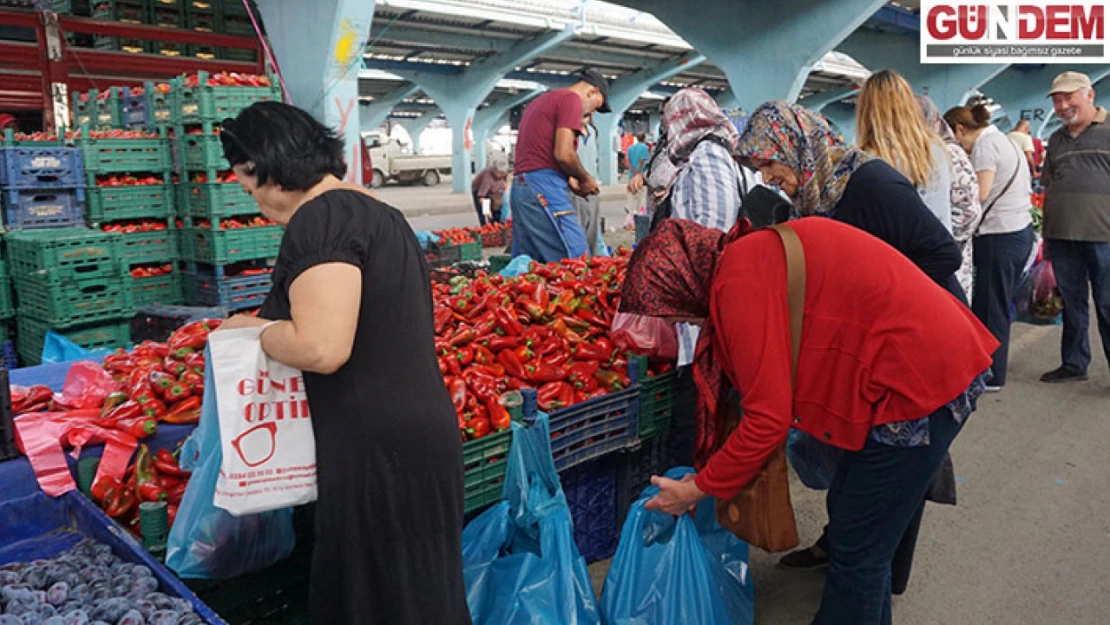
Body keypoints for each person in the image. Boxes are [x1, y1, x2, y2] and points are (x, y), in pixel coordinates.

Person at [622, 218, 995, 625]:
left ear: (682, 282)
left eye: (672, 312)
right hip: (918, 360)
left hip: (916, 380)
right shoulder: (746, 256)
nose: (679, 324)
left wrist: (697, 489)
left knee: (859, 548)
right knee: (859, 529)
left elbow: (767, 419)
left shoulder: (738, 285)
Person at [216, 102, 470, 625]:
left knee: (379, 598)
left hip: (374, 449)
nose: (252, 198)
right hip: (418, 436)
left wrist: (255, 331)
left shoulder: (321, 219)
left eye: (247, 181)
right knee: (419, 594)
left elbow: (321, 348)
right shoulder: (381, 214)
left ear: (263, 167)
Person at [735, 101, 966, 589]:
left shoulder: (870, 183)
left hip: (917, 346)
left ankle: (867, 570)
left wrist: (882, 300)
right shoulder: (818, 192)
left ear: (795, 146)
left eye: (771, 164)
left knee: (895, 472)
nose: (771, 179)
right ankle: (849, 556)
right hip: (875, 349)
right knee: (862, 464)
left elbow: (942, 251)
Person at [643, 87, 760, 467]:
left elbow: (709, 238)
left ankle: (686, 496)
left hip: (705, 310)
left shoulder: (707, 155)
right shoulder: (729, 154)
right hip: (723, 304)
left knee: (694, 411)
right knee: (714, 407)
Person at [945, 103, 1036, 391]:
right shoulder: (1005, 140)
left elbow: (979, 194)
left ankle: (993, 374)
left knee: (991, 306)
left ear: (960, 130)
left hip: (999, 235)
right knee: (995, 303)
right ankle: (990, 368)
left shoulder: (985, 146)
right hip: (1017, 231)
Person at [1039, 71, 1110, 383]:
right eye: (1057, 100)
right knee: (1071, 304)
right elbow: (1049, 186)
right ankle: (1074, 363)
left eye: (1069, 97)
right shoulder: (1056, 139)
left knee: (1107, 304)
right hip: (1063, 235)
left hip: (1104, 236)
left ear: (1090, 95)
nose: (1063, 105)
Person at [509, 68, 610, 262]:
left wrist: (569, 177)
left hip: (521, 187)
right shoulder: (571, 99)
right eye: (595, 107)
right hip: (543, 186)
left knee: (529, 264)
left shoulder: (540, 101)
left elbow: (539, 152)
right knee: (575, 258)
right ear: (592, 92)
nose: (590, 112)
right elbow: (563, 154)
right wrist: (585, 178)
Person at [855, 69, 952, 232]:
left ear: (866, 110)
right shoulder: (936, 148)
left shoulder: (868, 159)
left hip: (894, 252)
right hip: (938, 248)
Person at [918, 94, 983, 302]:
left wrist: (938, 240)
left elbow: (970, 211)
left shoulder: (948, 153)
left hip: (948, 260)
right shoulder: (927, 151)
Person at [570, 112, 602, 255]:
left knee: (593, 232)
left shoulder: (592, 132)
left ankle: (592, 265)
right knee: (577, 229)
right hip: (575, 189)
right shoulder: (568, 133)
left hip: (593, 187)